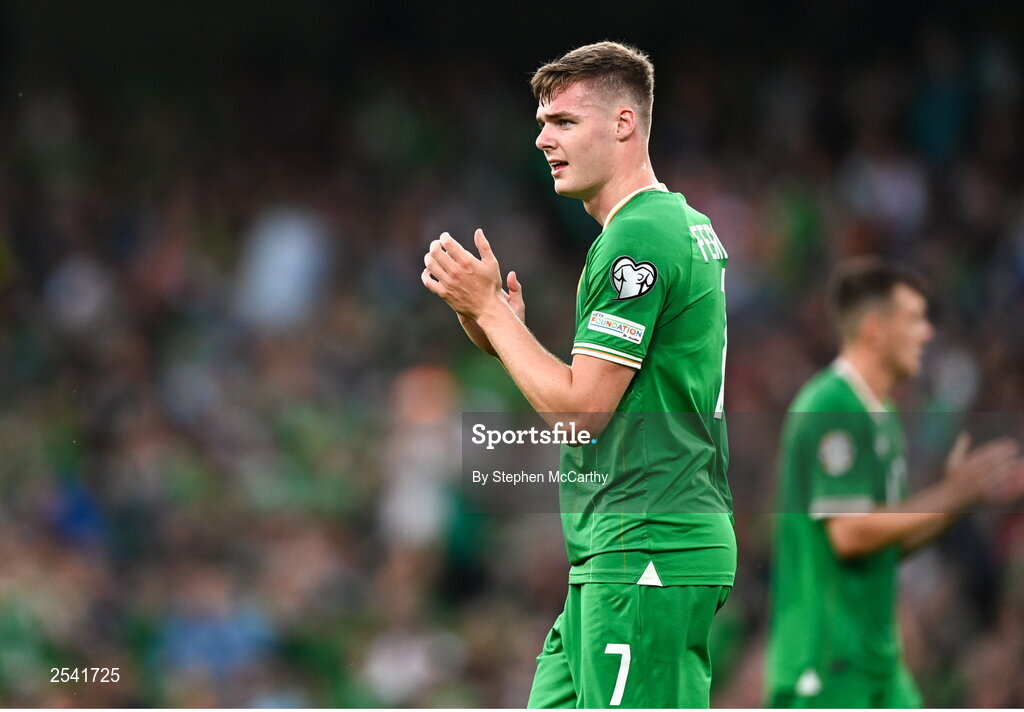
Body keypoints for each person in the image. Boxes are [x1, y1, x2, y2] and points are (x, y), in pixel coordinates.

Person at [421, 41, 734, 708]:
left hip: (647, 545)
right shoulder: (675, 224)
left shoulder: (638, 238)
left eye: (562, 122)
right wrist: (501, 328)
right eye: (540, 123)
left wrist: (488, 312)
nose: (542, 139)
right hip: (619, 549)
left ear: (624, 123)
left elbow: (581, 413)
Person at [766, 259, 1023, 708]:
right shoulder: (831, 406)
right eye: (914, 320)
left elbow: (887, 540)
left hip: (875, 662)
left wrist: (957, 503)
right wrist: (950, 493)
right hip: (827, 663)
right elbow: (848, 533)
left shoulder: (882, 417)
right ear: (873, 331)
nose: (926, 333)